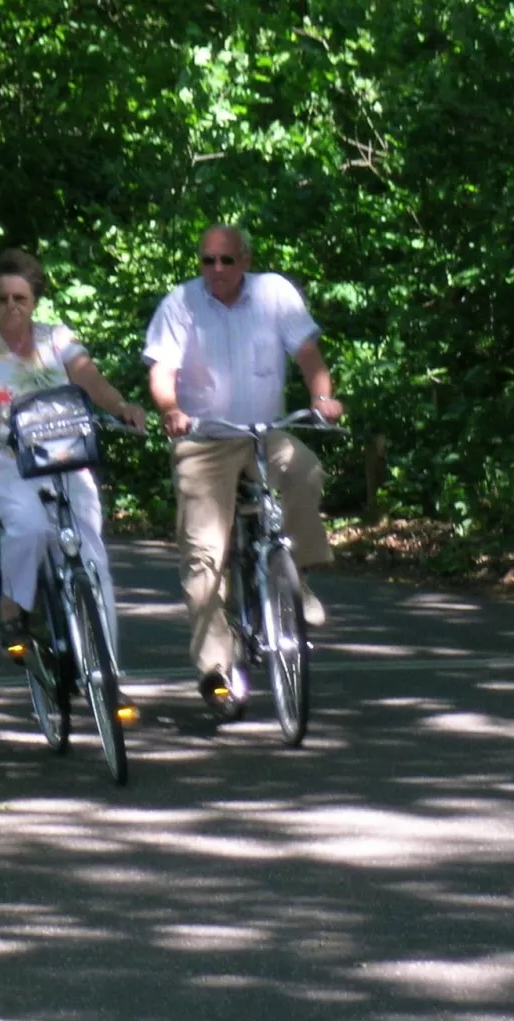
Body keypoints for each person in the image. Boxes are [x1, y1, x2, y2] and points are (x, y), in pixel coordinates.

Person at [142, 224, 344, 711]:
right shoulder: (180, 303)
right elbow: (161, 370)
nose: (215, 270)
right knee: (204, 555)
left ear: (245, 261)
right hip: (205, 440)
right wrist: (170, 409)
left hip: (263, 431)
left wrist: (323, 399)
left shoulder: (275, 294)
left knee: (305, 469)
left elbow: (308, 354)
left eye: (225, 261)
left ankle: (293, 576)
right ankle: (215, 668)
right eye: (207, 261)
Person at [0, 247, 147, 657]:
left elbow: (92, 381)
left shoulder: (59, 339)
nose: (11, 307)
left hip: (64, 455)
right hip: (2, 457)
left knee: (92, 559)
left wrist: (122, 406)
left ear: (34, 300)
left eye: (20, 298)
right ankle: (12, 607)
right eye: (2, 299)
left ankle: (105, 667)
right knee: (30, 525)